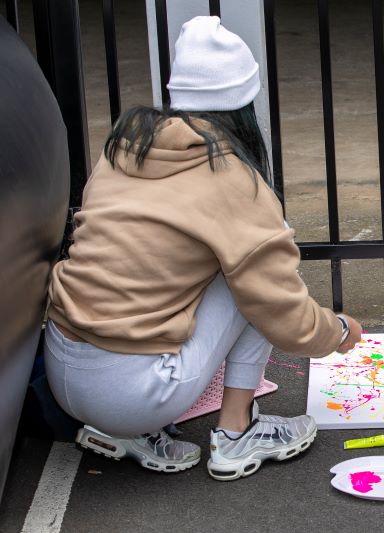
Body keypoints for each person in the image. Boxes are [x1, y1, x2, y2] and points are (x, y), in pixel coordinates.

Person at [44, 15, 362, 481]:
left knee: (224, 264)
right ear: (243, 105)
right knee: (249, 281)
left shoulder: (125, 147)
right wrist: (334, 331)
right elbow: (280, 310)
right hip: (131, 393)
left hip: (62, 369)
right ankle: (237, 433)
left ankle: (129, 432)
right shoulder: (234, 180)